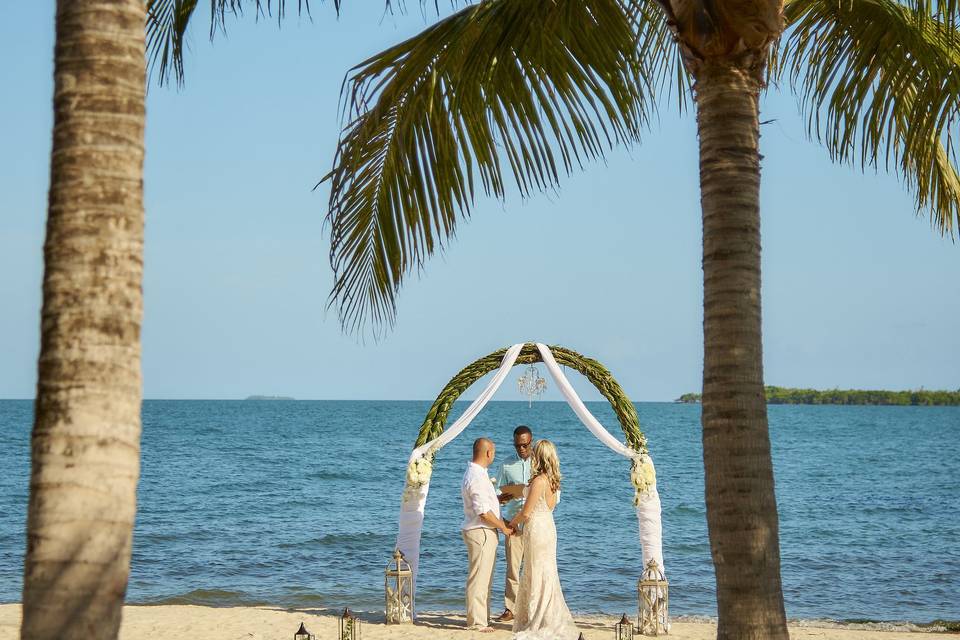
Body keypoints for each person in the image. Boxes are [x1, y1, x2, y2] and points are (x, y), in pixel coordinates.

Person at [508, 440, 579, 640]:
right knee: (546, 571)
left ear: (537, 456)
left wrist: (511, 524)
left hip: (537, 529)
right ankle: (547, 615)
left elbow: (526, 512)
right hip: (548, 527)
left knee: (536, 570)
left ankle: (538, 618)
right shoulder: (554, 481)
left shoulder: (539, 481)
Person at [462, 437, 514, 632]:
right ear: (488, 453)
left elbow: (483, 502)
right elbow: (482, 512)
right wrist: (503, 526)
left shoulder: (478, 474)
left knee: (485, 577)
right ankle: (476, 621)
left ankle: (482, 617)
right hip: (480, 530)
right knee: (479, 577)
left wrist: (497, 499)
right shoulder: (476, 476)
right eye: (493, 452)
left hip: (481, 530)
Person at [494, 425, 534, 622]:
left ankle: (532, 608)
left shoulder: (540, 463)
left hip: (535, 523)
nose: (521, 449)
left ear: (531, 442)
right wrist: (504, 497)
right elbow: (496, 493)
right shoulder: (506, 465)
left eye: (525, 445)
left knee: (535, 567)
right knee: (513, 567)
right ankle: (510, 608)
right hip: (512, 523)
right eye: (517, 445)